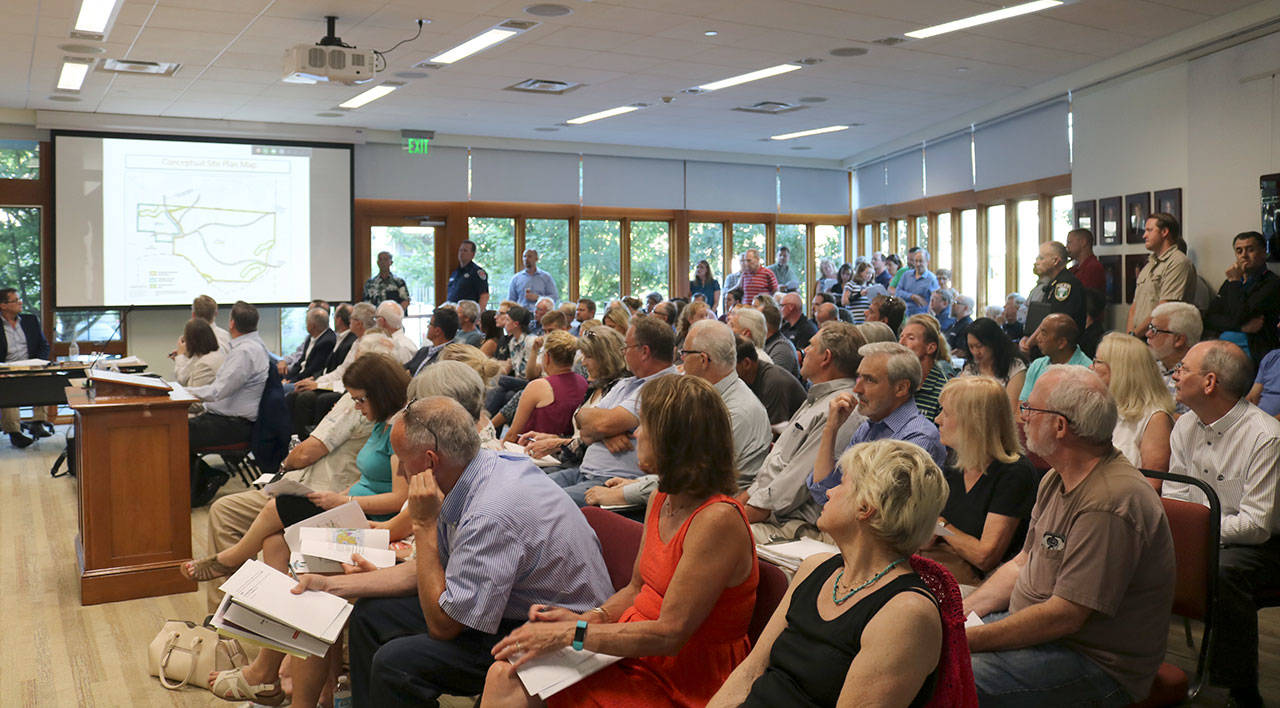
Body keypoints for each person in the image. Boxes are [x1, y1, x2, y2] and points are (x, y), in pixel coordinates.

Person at [279, 398, 613, 707]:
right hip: (516, 607)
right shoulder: (480, 467)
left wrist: (424, 526)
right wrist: (330, 586)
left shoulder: (489, 513)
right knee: (372, 615)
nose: (399, 472)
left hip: (556, 632)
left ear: (429, 462)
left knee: (396, 663)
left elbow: (445, 625)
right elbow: (431, 568)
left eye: (402, 461)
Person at [482, 374, 759, 708]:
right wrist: (590, 618)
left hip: (684, 675)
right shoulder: (663, 495)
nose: (638, 433)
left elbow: (671, 634)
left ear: (675, 440)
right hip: (636, 647)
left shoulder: (717, 520)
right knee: (504, 675)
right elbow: (636, 588)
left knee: (518, 681)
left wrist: (573, 634)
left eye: (645, 425)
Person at [964, 366, 1175, 706]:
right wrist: (961, 612)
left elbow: (1066, 615)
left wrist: (966, 641)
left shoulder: (1109, 502)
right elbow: (1023, 562)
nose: (1023, 418)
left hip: (1095, 662)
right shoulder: (1055, 478)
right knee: (931, 645)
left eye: (1029, 409)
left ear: (1060, 426)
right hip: (1045, 635)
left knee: (952, 673)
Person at [710, 439, 954, 707]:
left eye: (842, 483)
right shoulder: (815, 568)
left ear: (866, 507)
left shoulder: (906, 613)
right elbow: (749, 672)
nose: (829, 492)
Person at [1165, 340, 1280, 707]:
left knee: (1224, 570)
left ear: (1210, 382)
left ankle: (1240, 692)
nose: (1175, 375)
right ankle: (1129, 664)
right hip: (1207, 537)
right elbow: (1176, 496)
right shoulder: (1185, 425)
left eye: (1183, 368)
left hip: (1263, 548)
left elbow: (1256, 525)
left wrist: (1195, 536)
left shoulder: (1265, 436)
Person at [738, 322, 866, 542]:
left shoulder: (840, 407)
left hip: (792, 523)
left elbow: (792, 487)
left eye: (810, 345)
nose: (803, 351)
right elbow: (775, 470)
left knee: (710, 537)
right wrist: (739, 502)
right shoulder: (818, 398)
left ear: (826, 357)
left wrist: (738, 515)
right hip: (768, 507)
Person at [547, 317, 677, 505]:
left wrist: (600, 429)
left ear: (644, 352)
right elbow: (582, 422)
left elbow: (600, 424)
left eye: (627, 348)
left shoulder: (663, 387)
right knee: (525, 489)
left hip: (612, 481)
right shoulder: (626, 383)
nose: (623, 353)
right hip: (584, 472)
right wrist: (604, 434)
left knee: (540, 502)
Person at [924, 377, 1036, 585]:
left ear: (973, 423)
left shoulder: (1015, 473)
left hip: (984, 586)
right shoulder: (956, 462)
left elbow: (985, 557)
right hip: (946, 572)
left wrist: (941, 525)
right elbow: (927, 535)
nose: (937, 419)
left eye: (946, 413)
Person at [808, 342, 948, 506]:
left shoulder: (919, 439)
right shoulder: (869, 427)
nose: (857, 389)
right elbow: (822, 491)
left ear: (901, 388)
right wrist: (831, 429)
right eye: (859, 377)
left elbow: (877, 512)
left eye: (869, 380)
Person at [187, 301, 270, 506]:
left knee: (173, 433)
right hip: (229, 420)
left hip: (233, 425)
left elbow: (217, 392)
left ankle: (203, 482)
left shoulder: (244, 352)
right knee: (176, 430)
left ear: (232, 323)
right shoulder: (253, 346)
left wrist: (183, 392)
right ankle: (204, 480)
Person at [519, 325, 631, 466]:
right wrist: (553, 439)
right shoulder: (593, 387)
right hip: (572, 460)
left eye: (588, 357)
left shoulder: (620, 390)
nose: (583, 362)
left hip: (589, 467)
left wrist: (559, 443)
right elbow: (582, 436)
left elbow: (594, 440)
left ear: (606, 357)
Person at [1089, 332, 1174, 475]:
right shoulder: (1100, 407)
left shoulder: (1155, 419)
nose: (1091, 368)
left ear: (1120, 370)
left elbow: (1153, 482)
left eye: (1097, 362)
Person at [1203, 231, 1280, 364]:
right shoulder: (1230, 283)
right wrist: (1240, 328)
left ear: (1263, 253)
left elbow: (1240, 315)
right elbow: (1209, 318)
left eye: (1250, 250)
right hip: (1221, 349)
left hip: (1252, 354)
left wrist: (1235, 282)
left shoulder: (1272, 283)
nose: (1244, 255)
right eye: (1239, 251)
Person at [503, 331, 587, 442]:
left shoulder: (539, 386)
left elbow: (513, 434)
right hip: (566, 450)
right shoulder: (583, 383)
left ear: (547, 357)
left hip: (534, 451)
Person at [1126, 212, 1196, 339]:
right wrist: (1130, 337)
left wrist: (1134, 335)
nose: (1144, 235)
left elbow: (1163, 309)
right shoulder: (1149, 265)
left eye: (1149, 230)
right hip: (1139, 338)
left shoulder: (1178, 262)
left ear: (1164, 232)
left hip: (1160, 339)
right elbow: (1134, 308)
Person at [0, 287, 50, 447]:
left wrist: (40, 362)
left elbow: (44, 345)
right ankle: (14, 432)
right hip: (6, 368)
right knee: (7, 384)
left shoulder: (30, 320)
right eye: (15, 300)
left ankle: (38, 423)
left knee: (46, 377)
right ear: (3, 305)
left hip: (30, 365)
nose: (20, 303)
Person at [734, 335, 806, 426]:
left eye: (730, 363)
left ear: (746, 363)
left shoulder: (774, 382)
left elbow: (775, 430)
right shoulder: (750, 376)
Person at [958, 318, 1027, 412]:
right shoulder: (970, 367)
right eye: (971, 346)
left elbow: (1011, 409)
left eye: (979, 346)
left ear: (993, 343)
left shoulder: (1015, 367)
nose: (975, 352)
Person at [1019, 314, 1091, 402]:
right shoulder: (1036, 365)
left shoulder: (1087, 371)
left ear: (1061, 343)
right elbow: (1022, 406)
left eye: (1044, 334)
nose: (1038, 338)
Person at [1024, 241, 1086, 340]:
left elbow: (1054, 321)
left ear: (1055, 261)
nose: (1037, 262)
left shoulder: (1065, 284)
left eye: (1041, 258)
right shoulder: (1053, 283)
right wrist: (1027, 337)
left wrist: (1030, 342)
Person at [1146, 301, 1200, 414]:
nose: (1148, 334)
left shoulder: (1195, 379)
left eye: (1155, 330)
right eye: (1150, 327)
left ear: (1178, 340)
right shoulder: (1149, 367)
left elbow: (1190, 425)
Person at [899, 314, 953, 423]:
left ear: (930, 348)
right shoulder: (897, 383)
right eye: (901, 336)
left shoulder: (944, 391)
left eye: (910, 338)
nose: (901, 343)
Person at [172, 294, 230, 382]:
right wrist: (186, 356)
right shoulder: (227, 336)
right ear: (216, 313)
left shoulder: (201, 341)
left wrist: (180, 356)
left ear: (193, 315)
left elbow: (182, 378)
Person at [175, 318, 225, 415]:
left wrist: (171, 403)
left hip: (203, 416)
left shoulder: (205, 364)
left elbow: (195, 404)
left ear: (191, 342)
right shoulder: (214, 354)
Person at [283, 307, 337, 384]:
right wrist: (288, 378)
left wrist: (292, 381)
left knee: (281, 389)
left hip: (308, 380)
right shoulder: (310, 337)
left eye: (307, 322)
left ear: (313, 325)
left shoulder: (327, 341)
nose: (306, 324)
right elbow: (300, 362)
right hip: (299, 376)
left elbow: (312, 369)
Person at [756, 298, 800, 382]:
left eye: (755, 320)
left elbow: (772, 382)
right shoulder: (766, 343)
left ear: (764, 324)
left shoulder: (782, 348)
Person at [405, 307, 459, 376]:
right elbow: (402, 369)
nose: (428, 327)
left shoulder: (449, 356)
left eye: (430, 324)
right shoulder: (423, 350)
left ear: (437, 331)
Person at [896, 247, 940, 317]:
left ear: (927, 262)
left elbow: (935, 299)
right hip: (903, 314)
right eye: (916, 261)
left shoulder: (932, 279)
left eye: (921, 261)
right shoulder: (906, 275)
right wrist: (912, 296)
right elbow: (898, 292)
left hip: (921, 315)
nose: (918, 264)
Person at [447, 239, 490, 309]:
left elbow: (484, 296)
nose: (461, 253)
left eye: (465, 250)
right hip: (453, 313)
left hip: (468, 314)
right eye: (460, 250)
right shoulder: (455, 273)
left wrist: (479, 316)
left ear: (472, 254)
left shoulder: (477, 272)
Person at [1066, 228, 1105, 292]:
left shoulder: (1093, 267)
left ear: (1083, 242)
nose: (1067, 246)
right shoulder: (1074, 268)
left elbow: (1079, 294)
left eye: (1069, 242)